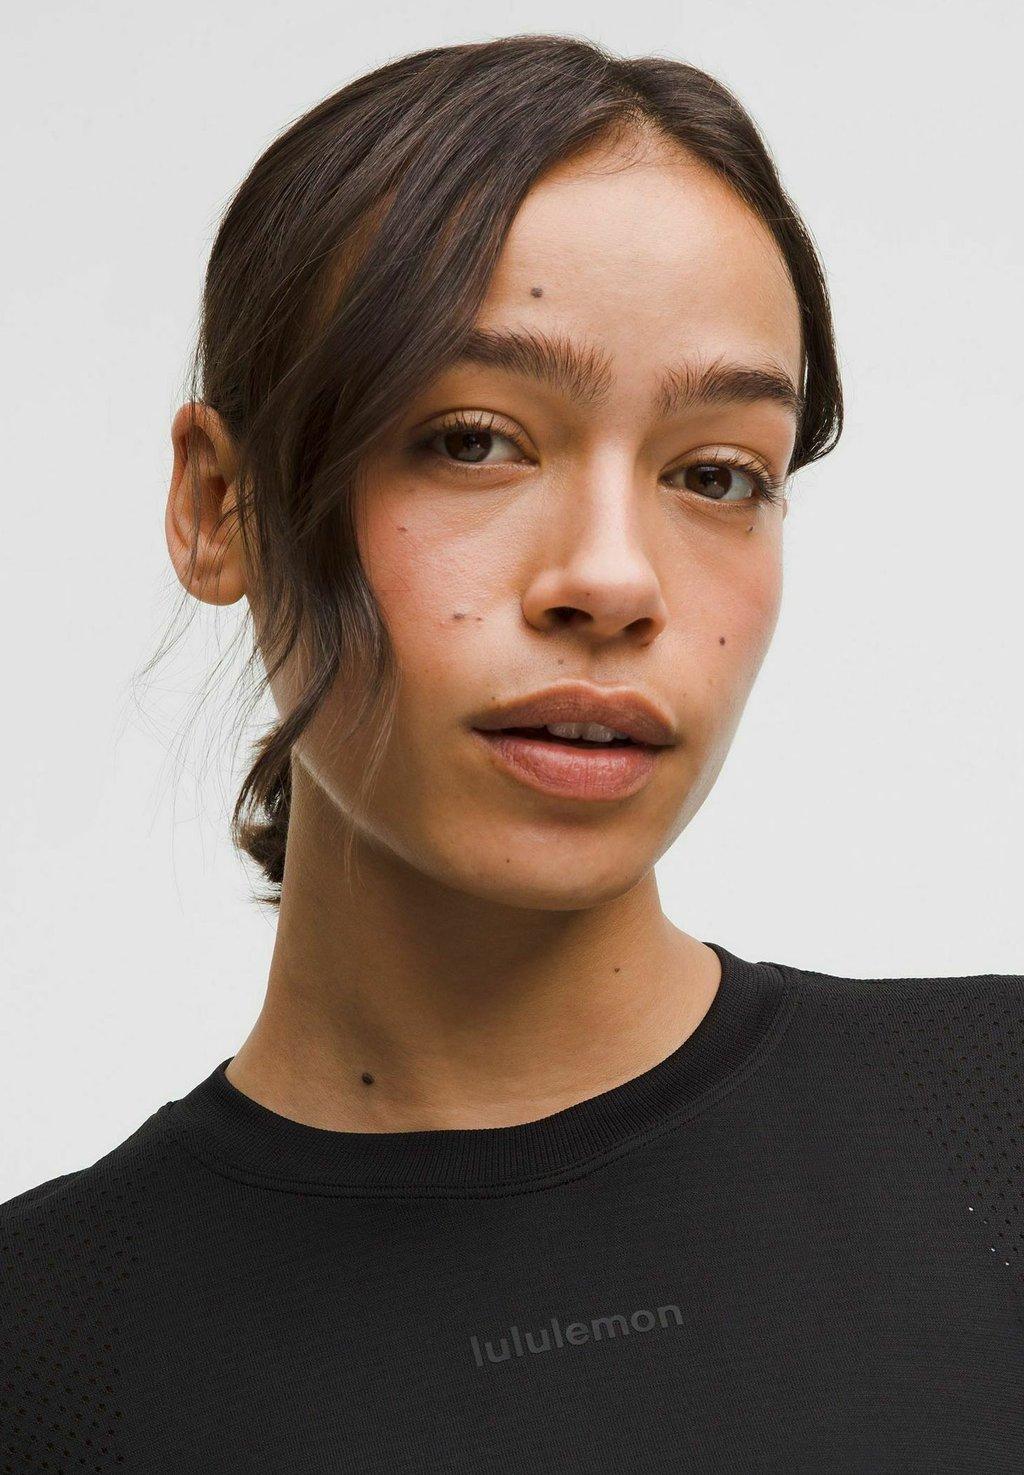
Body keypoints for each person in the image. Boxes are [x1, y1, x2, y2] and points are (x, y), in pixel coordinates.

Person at [3, 33, 1021, 1474]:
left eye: (716, 473)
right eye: (474, 441)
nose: (612, 579)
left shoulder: (993, 1126)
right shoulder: (40, 1355)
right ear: (220, 506)